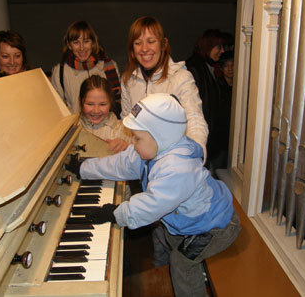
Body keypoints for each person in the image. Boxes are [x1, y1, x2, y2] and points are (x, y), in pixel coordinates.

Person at [65, 93, 241, 297]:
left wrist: (116, 214)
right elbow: (120, 163)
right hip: (194, 220)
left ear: (160, 136)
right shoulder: (152, 149)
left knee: (181, 262)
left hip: (215, 227)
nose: (134, 142)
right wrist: (84, 168)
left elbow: (151, 205)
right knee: (171, 238)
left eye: (138, 138)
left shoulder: (177, 168)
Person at [120, 16, 208, 159]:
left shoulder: (181, 77)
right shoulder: (127, 80)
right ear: (132, 48)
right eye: (137, 43)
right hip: (140, 160)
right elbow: (127, 122)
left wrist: (194, 154)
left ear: (163, 44)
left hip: (172, 161)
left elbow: (194, 119)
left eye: (151, 41)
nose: (144, 49)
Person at [51, 21, 121, 116]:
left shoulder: (108, 65)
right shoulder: (60, 72)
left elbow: (117, 101)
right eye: (76, 42)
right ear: (69, 45)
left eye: (86, 41)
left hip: (106, 126)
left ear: (93, 42)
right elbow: (58, 109)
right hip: (78, 127)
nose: (82, 48)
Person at [186, 29, 231, 171]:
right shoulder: (194, 68)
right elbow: (196, 110)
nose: (222, 51)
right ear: (208, 46)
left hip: (210, 140)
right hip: (201, 138)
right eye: (219, 47)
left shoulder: (208, 67)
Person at [79, 74, 132, 153]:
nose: (96, 111)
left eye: (102, 104)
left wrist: (128, 148)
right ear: (81, 102)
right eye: (90, 104)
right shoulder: (73, 130)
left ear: (110, 103)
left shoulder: (123, 131)